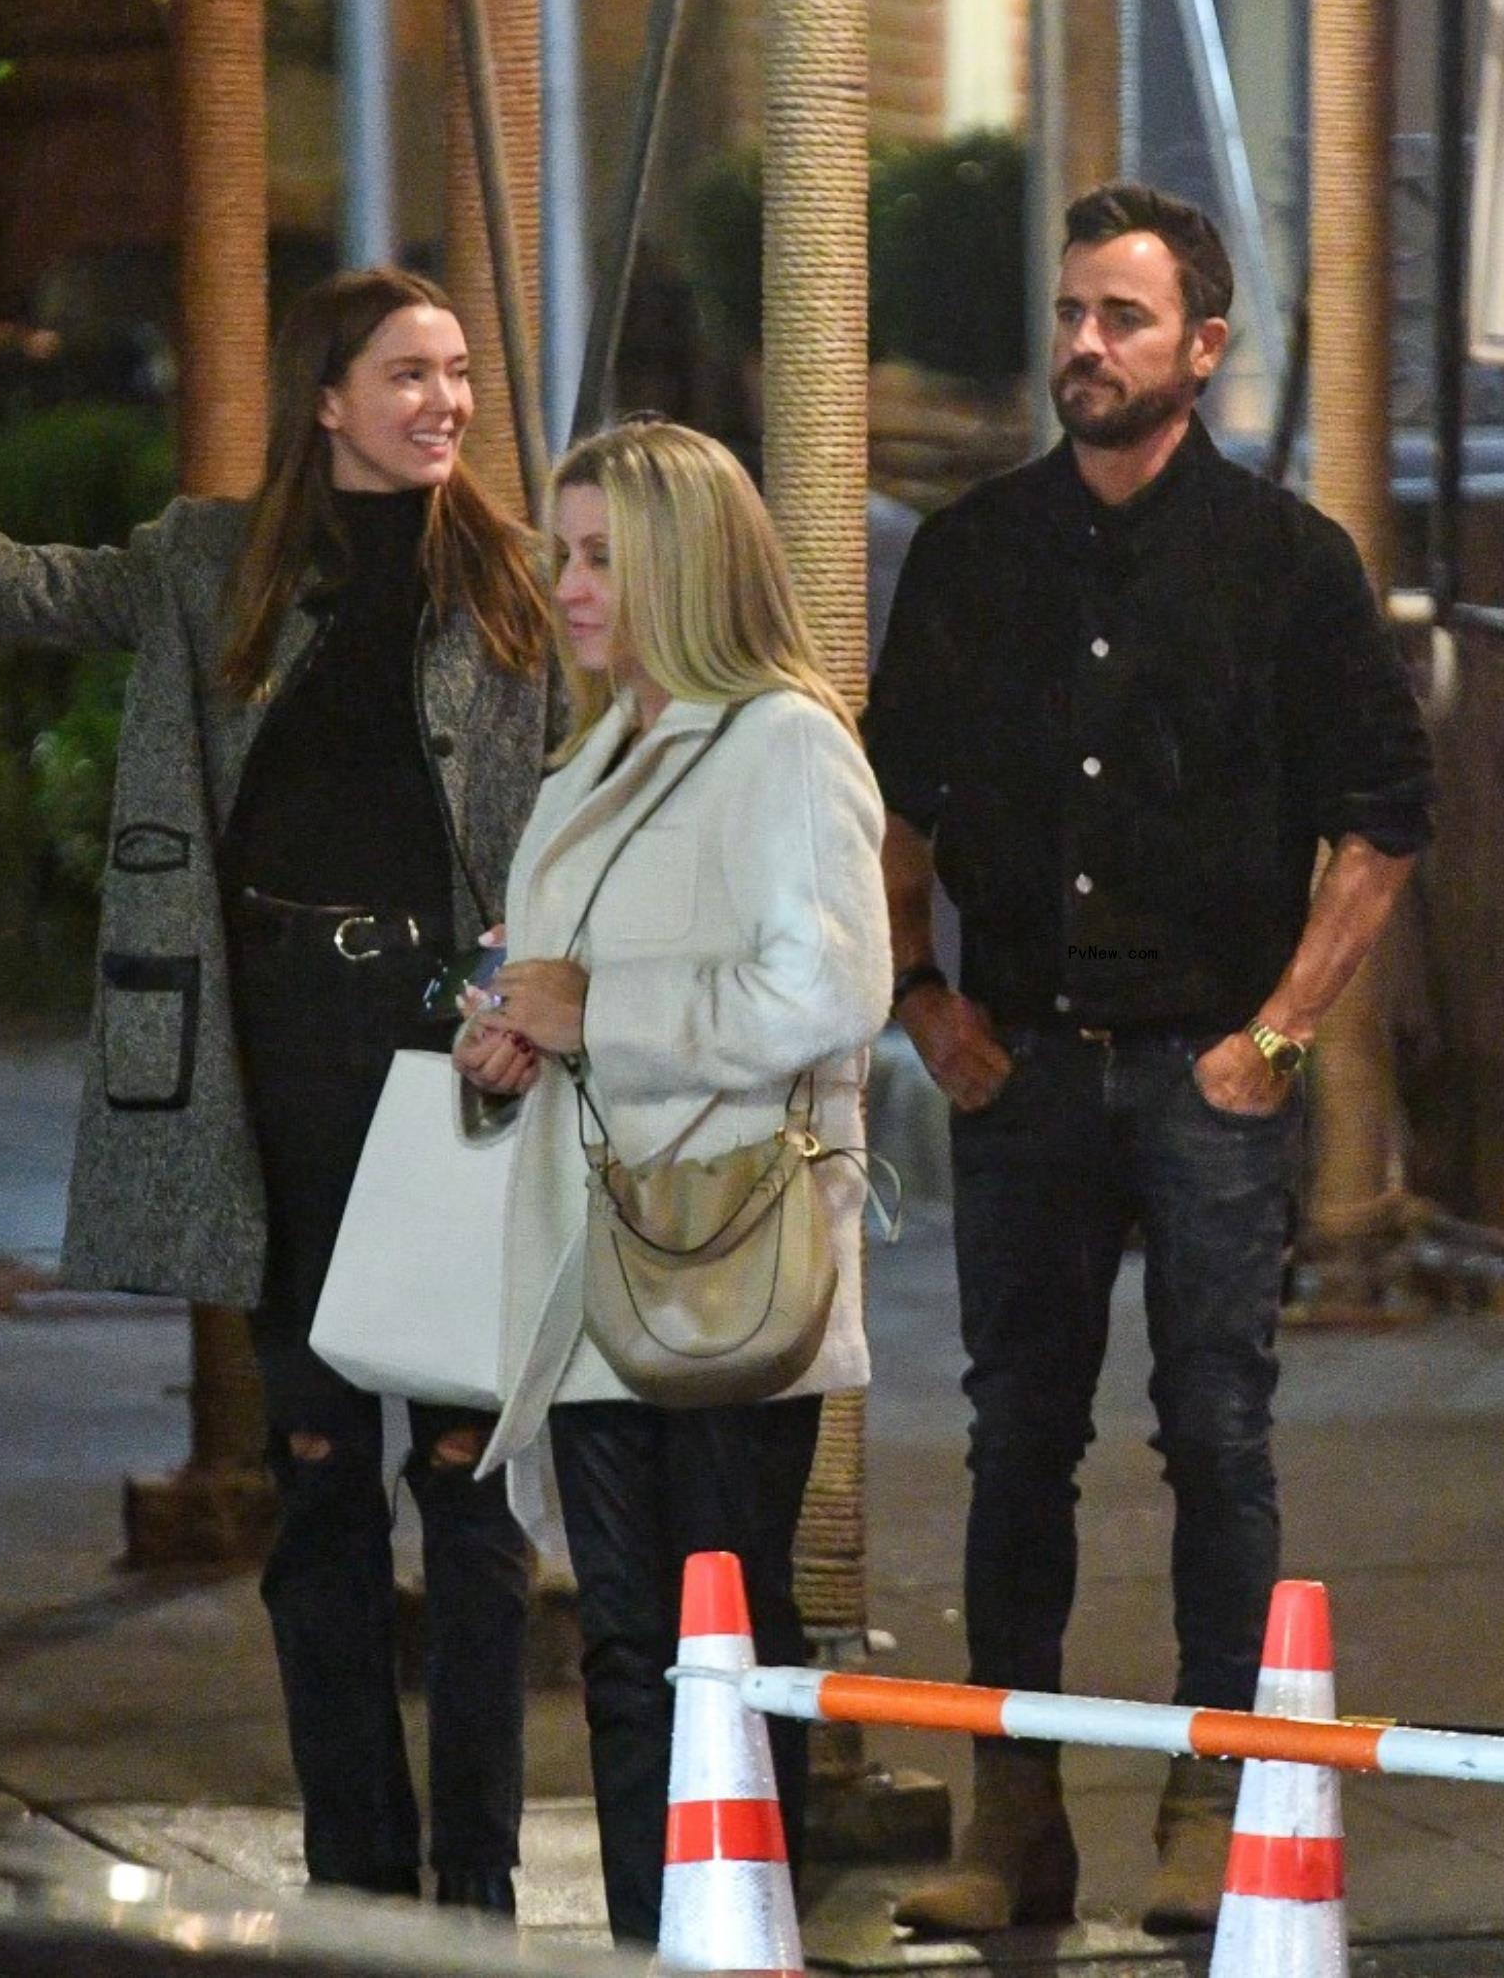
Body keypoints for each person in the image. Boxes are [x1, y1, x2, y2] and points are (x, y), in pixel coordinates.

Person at [0, 267, 555, 1912]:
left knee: (465, 1489)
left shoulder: (509, 586)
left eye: (455, 374)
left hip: (455, 1061)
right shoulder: (206, 562)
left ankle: (481, 1898)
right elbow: (21, 591)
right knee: (317, 1491)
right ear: (326, 398)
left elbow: (580, 807)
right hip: (279, 1061)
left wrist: (541, 988)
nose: (444, 401)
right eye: (408, 375)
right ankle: (360, 1889)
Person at [864, 184, 1434, 1937]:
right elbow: (895, 802)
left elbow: (1382, 826)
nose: (1082, 348)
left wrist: (1276, 1039)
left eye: (1121, 318)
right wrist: (921, 1001)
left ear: (1203, 345)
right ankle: (1012, 1820)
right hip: (1023, 1067)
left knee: (1219, 1431)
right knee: (1014, 1437)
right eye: (1069, 315)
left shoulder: (1287, 561)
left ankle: (1217, 1796)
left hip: (1205, 1071)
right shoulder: (975, 551)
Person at [452, 418, 892, 1948]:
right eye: (560, 553)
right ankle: (658, 1938)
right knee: (628, 1648)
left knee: (717, 1644)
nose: (566, 586)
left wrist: (599, 1017)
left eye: (597, 557)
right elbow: (565, 981)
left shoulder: (782, 740)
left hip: (716, 1250)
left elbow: (835, 993)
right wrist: (513, 1029)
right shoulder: (595, 750)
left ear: (685, 566)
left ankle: (730, 1937)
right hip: (594, 1254)